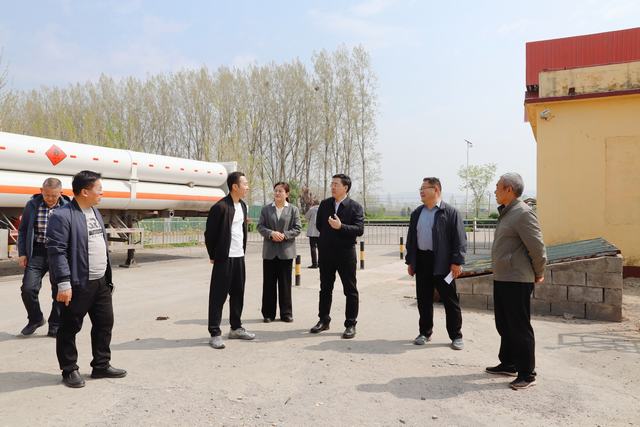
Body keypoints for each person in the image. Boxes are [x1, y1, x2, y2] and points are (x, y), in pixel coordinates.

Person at [47, 170, 126, 388]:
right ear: (84, 191)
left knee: (104, 324)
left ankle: (101, 365)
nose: (102, 193)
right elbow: (56, 252)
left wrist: (106, 278)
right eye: (99, 189)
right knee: (69, 327)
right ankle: (69, 369)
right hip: (76, 283)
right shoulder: (62, 216)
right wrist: (64, 283)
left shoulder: (95, 212)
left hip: (100, 282)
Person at [487, 173, 546, 390]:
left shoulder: (523, 213)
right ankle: (509, 363)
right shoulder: (507, 212)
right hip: (503, 276)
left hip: (517, 279)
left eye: (497, 187)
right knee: (504, 323)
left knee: (519, 326)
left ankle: (527, 374)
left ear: (509, 189)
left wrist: (539, 272)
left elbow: (537, 248)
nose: (495, 191)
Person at [405, 177, 466, 350]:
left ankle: (456, 335)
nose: (421, 191)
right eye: (420, 188)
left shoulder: (450, 212)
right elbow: (411, 239)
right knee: (423, 299)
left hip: (443, 263)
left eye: (424, 188)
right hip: (422, 261)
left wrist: (457, 262)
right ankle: (425, 332)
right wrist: (411, 261)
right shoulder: (417, 213)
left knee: (450, 300)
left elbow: (460, 240)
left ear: (436, 190)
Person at [309, 174, 364, 339]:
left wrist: (341, 227)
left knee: (350, 290)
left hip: (346, 254)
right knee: (325, 288)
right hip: (326, 253)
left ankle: (350, 324)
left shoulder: (355, 207)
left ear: (345, 188)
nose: (332, 187)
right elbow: (320, 225)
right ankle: (323, 320)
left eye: (336, 184)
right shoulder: (325, 204)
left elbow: (359, 229)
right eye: (331, 184)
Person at [205, 171, 254, 349]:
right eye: (245, 184)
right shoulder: (220, 207)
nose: (247, 187)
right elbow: (209, 234)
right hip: (224, 258)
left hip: (239, 256)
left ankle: (236, 328)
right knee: (218, 296)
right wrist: (213, 255)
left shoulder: (243, 206)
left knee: (238, 293)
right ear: (235, 187)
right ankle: (215, 333)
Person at [17, 178, 70, 337]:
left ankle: (55, 324)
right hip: (37, 252)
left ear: (61, 193)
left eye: (54, 195)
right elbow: (23, 230)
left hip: (59, 254)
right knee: (28, 289)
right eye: (47, 195)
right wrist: (22, 253)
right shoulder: (32, 205)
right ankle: (35, 319)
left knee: (58, 290)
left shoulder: (68, 207)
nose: (50, 199)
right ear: (41, 191)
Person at [257, 182, 302, 323]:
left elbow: (298, 228)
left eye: (280, 191)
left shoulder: (293, 210)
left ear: (287, 194)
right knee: (268, 284)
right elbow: (260, 226)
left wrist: (285, 235)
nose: (277, 193)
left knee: (285, 284)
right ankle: (268, 314)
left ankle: (286, 313)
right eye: (276, 190)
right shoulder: (266, 209)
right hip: (269, 252)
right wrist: (271, 233)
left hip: (286, 252)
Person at [305, 200, 320, 269]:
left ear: (314, 203)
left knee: (313, 248)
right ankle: (320, 263)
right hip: (321, 232)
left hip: (312, 232)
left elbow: (306, 217)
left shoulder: (312, 209)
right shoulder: (323, 209)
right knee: (321, 248)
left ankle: (314, 264)